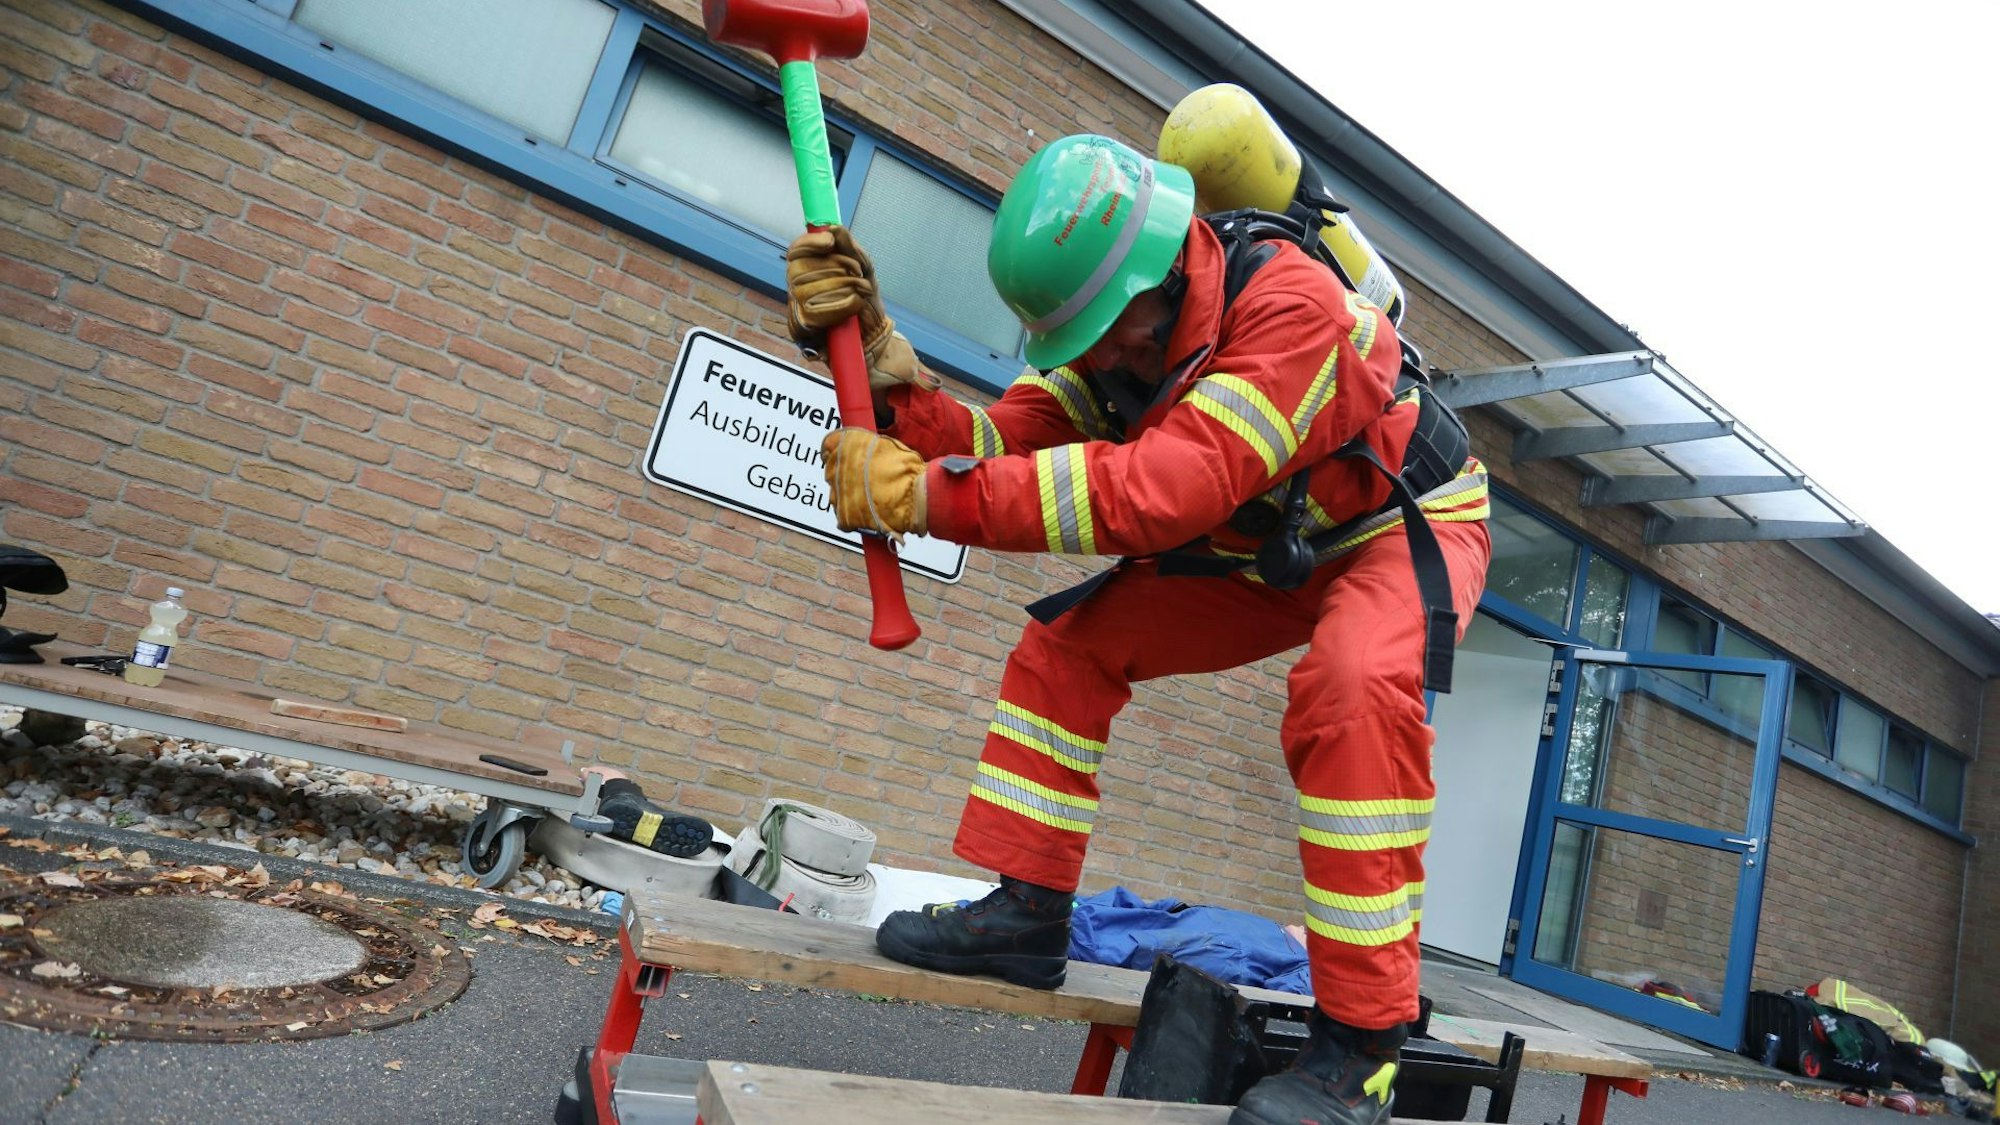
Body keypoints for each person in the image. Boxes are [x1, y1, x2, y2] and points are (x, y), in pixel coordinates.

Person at [785, 133, 1490, 1125]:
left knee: (1352, 685)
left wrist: (928, 500)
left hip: (1396, 520)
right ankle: (1024, 915)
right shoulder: (1114, 339)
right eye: (1082, 341)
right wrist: (885, 376)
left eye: (1114, 331)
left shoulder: (1287, 308)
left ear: (1171, 260)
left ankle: (1362, 1047)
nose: (1103, 357)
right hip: (1270, 537)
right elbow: (996, 447)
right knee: (1066, 649)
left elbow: (1166, 490)